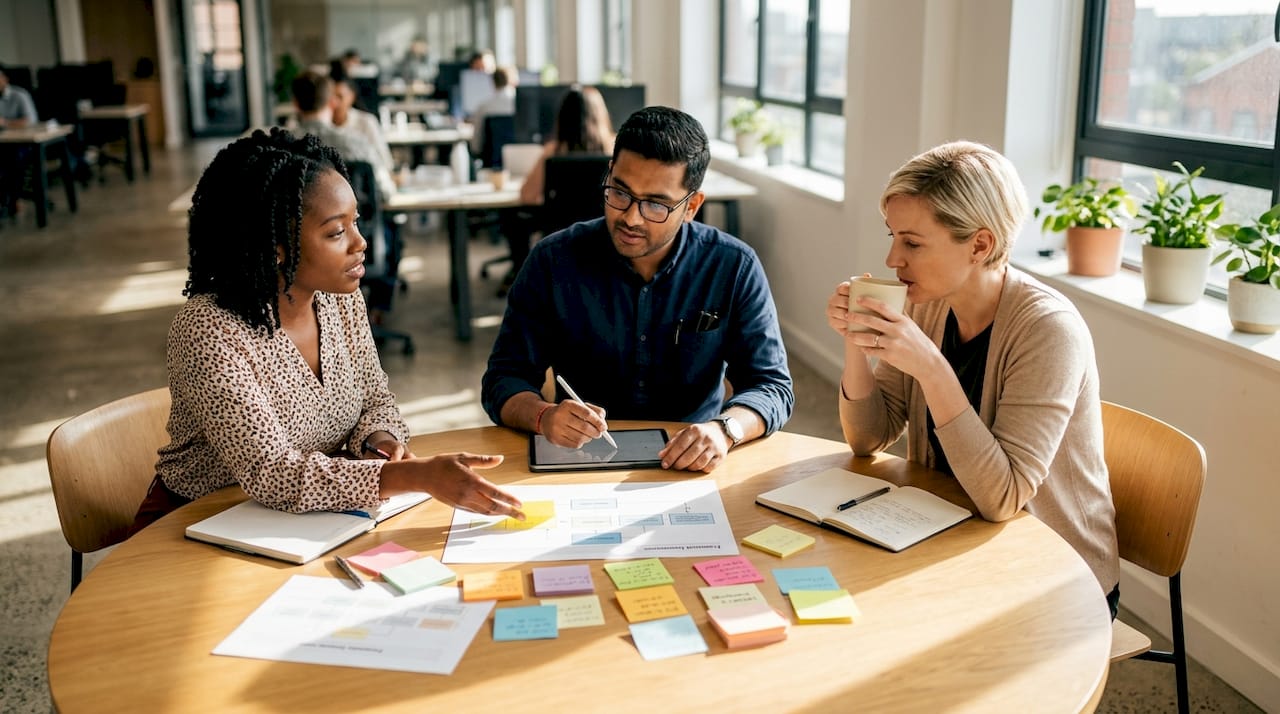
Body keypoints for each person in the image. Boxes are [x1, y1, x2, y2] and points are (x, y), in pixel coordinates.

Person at [132, 128, 523, 532]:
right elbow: (271, 472)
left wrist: (380, 440)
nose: (361, 243)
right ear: (275, 246)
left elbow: (375, 398)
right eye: (337, 232)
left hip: (303, 519)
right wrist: (416, 476)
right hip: (197, 522)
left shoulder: (337, 297)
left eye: (356, 222)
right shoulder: (209, 330)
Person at [825, 140, 1120, 617]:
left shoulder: (1049, 330)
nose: (892, 260)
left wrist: (932, 368)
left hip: (1055, 573)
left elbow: (1003, 499)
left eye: (913, 243)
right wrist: (858, 344)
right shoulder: (926, 301)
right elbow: (869, 438)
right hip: (949, 528)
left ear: (980, 245)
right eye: (892, 237)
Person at [481, 106, 794, 474]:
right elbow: (503, 379)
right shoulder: (553, 261)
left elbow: (772, 385)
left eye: (656, 205)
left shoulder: (734, 265)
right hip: (583, 457)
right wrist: (543, 416)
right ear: (609, 174)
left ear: (691, 206)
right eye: (620, 192)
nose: (631, 217)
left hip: (693, 460)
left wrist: (725, 430)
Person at [291, 70, 396, 200]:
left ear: (295, 104)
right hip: (355, 219)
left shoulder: (281, 147)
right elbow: (386, 192)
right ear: (332, 102)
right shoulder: (358, 144)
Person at [329, 66, 394, 171]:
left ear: (352, 97)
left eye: (340, 97)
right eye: (331, 97)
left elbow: (384, 161)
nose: (335, 102)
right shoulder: (322, 125)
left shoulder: (366, 122)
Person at [468, 64, 517, 157]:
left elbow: (475, 146)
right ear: (514, 82)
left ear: (493, 82)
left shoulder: (483, 107)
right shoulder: (522, 106)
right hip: (518, 160)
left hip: (491, 164)